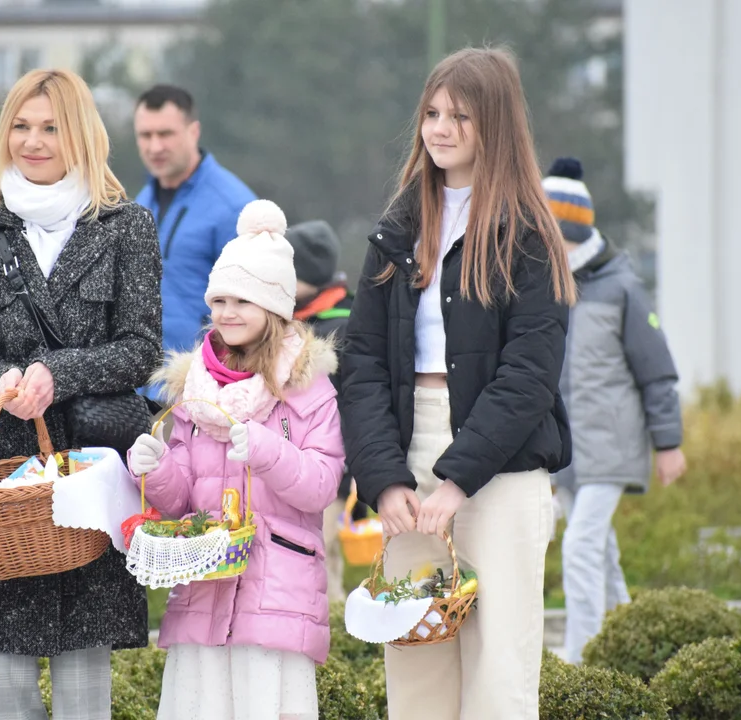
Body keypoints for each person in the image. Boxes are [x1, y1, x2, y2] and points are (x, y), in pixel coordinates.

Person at [0, 68, 162, 720]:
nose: (33, 141)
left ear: (79, 133)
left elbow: (141, 348)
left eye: (50, 127)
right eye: (21, 127)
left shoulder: (126, 226)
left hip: (83, 476)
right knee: (5, 686)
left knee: (85, 685)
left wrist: (59, 373)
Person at [339, 48, 576, 720]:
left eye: (459, 117)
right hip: (408, 454)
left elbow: (528, 377)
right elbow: (359, 362)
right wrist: (384, 480)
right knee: (415, 677)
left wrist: (457, 480)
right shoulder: (397, 231)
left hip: (500, 469)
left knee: (499, 677)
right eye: (432, 114)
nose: (438, 129)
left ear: (493, 125)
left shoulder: (528, 236)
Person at [128, 200, 344, 720]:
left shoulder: (308, 388)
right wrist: (157, 469)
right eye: (218, 299)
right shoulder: (193, 392)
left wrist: (267, 452)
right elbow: (182, 499)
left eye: (242, 300)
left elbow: (321, 484)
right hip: (205, 593)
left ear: (274, 307)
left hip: (275, 596)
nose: (226, 312)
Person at [542, 156, 687, 664]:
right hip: (568, 451)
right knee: (599, 549)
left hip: (612, 445)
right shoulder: (547, 287)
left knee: (580, 547)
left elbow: (657, 369)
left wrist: (669, 444)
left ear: (570, 231)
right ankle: (635, 641)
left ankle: (581, 657)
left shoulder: (622, 286)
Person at [133, 84, 257, 359]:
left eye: (165, 134)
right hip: (141, 383)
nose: (155, 146)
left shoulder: (234, 207)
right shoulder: (139, 203)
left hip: (203, 383)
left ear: (193, 131)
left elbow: (256, 312)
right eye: (145, 135)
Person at [286, 219, 363, 602]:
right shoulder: (293, 320)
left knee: (322, 549)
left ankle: (334, 630)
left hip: (331, 466)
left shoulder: (342, 325)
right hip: (289, 463)